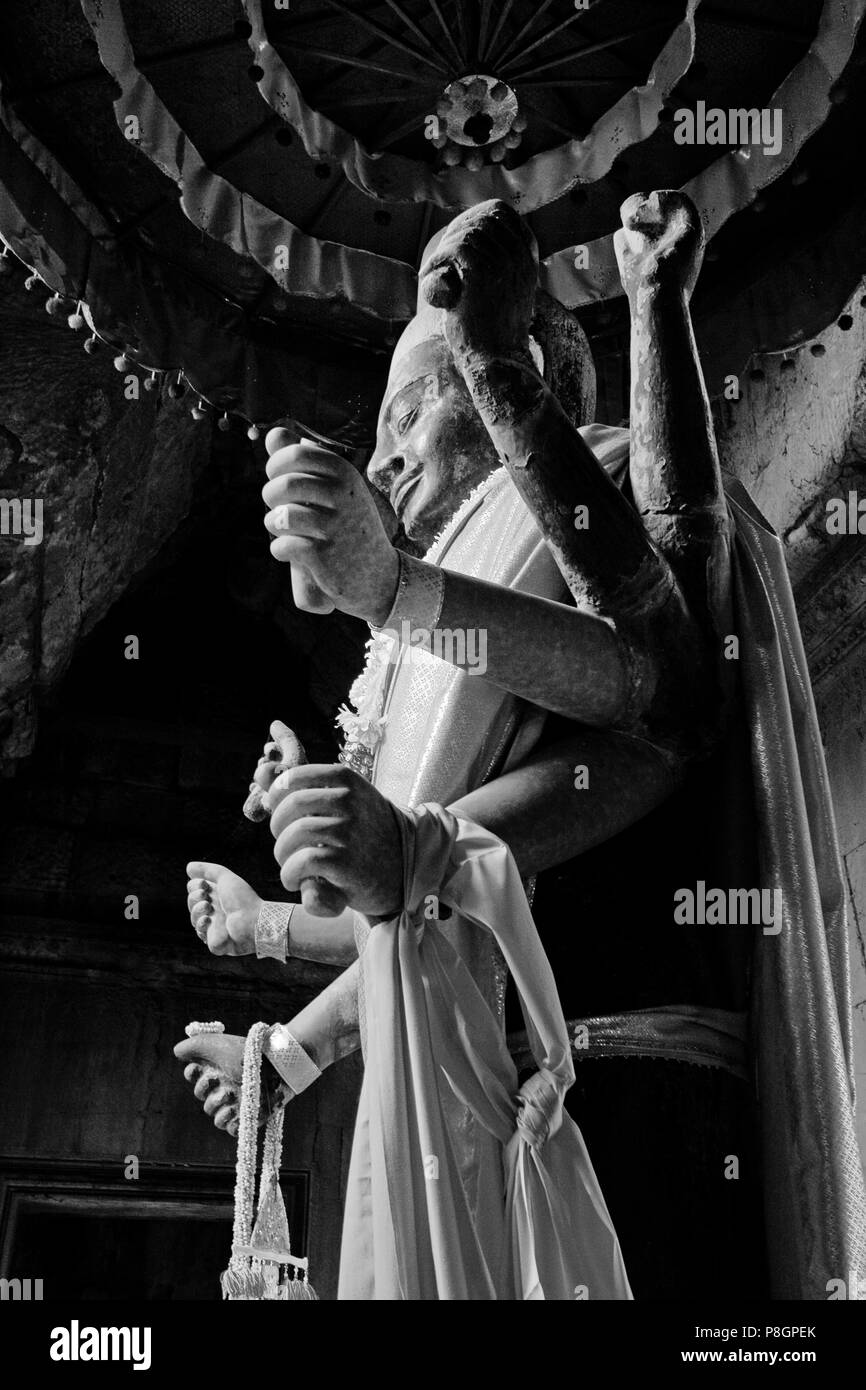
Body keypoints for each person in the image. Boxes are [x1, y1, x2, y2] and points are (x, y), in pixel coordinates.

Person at [176, 193, 865, 1300]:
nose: (387, 464)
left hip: (626, 1107)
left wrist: (400, 569)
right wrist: (279, 995)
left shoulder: (583, 491)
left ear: (527, 376)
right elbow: (428, 901)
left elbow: (659, 703)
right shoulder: (424, 633)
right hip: (484, 1100)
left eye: (407, 415)